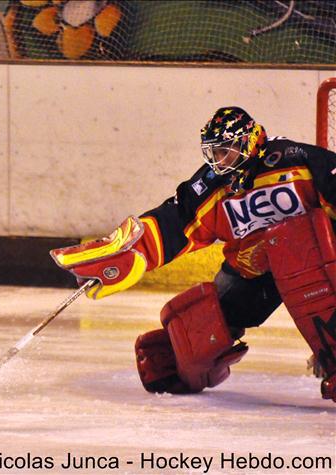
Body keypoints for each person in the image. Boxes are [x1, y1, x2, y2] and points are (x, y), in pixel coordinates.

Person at [51, 106, 336, 402]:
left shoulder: (295, 160)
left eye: (226, 151)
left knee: (303, 262)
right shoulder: (213, 184)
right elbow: (176, 222)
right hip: (253, 270)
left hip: (316, 263)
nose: (219, 161)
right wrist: (132, 252)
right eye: (215, 153)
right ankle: (183, 363)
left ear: (249, 141)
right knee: (200, 335)